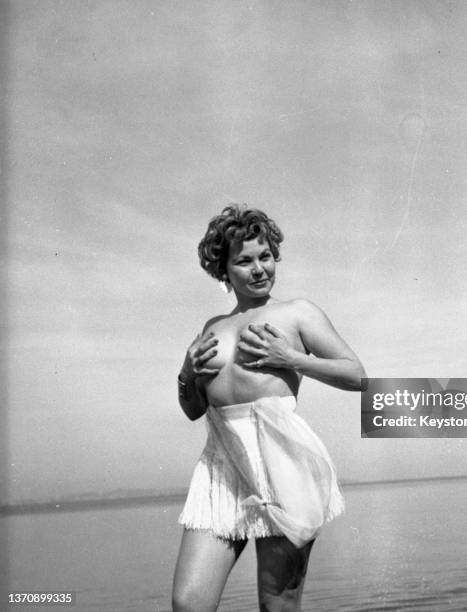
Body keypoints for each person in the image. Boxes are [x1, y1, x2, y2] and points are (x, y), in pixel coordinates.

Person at [171, 205, 366, 612]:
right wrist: (187, 375)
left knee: (277, 602)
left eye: (266, 256)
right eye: (244, 260)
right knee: (189, 604)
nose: (259, 268)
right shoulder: (212, 328)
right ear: (223, 270)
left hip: (284, 460)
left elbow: (357, 376)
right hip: (220, 466)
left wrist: (292, 358)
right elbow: (193, 410)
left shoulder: (297, 313)